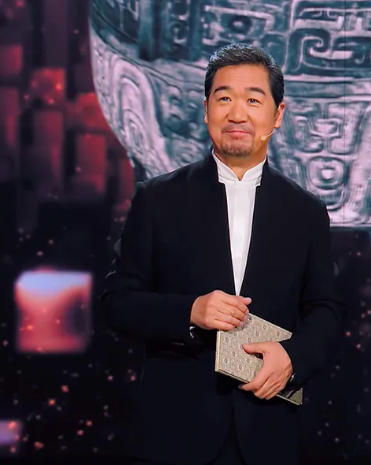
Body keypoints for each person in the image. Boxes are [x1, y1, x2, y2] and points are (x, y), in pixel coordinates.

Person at [102, 43, 343, 465]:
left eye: (253, 100)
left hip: (269, 428)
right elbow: (117, 303)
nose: (237, 114)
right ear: (206, 109)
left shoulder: (306, 212)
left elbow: (325, 309)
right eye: (224, 98)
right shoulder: (157, 200)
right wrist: (190, 311)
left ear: (278, 115)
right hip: (175, 431)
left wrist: (293, 359)